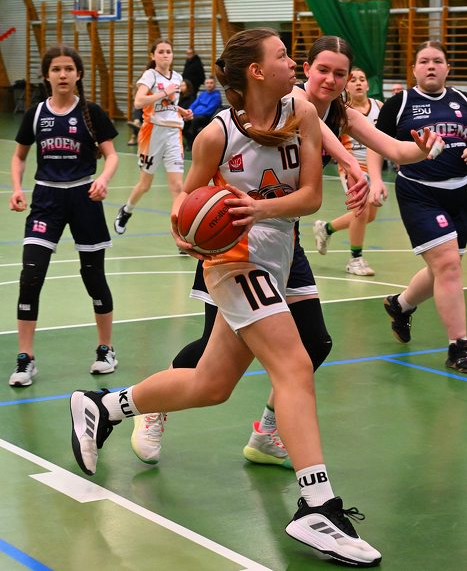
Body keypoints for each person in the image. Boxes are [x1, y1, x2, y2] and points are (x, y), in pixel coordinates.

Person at [71, 28, 382, 567]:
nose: (293, 63)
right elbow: (186, 206)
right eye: (283, 56)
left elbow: (311, 197)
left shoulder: (304, 114)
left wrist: (262, 208)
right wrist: (187, 231)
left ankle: (103, 406)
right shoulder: (215, 135)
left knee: (211, 385)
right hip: (233, 261)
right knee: (294, 365)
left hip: (277, 254)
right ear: (256, 71)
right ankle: (317, 507)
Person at [130, 36, 441, 473]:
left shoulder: (337, 112)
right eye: (322, 70)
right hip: (235, 238)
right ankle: (151, 405)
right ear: (305, 69)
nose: (330, 79)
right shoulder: (288, 98)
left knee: (314, 343)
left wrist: (423, 149)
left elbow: (395, 149)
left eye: (340, 73)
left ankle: (266, 433)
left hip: (283, 236)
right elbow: (316, 127)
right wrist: (349, 163)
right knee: (212, 353)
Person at [9, 44, 119, 387]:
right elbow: (19, 156)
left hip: (84, 196)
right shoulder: (36, 114)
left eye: (69, 69)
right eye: (56, 69)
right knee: (31, 275)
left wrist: (103, 179)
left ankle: (106, 349)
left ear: (78, 74)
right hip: (46, 199)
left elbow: (112, 155)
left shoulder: (91, 112)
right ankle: (25, 358)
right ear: (46, 76)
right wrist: (17, 187)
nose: (62, 74)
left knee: (93, 276)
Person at [368, 41, 467, 372]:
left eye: (437, 61)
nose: (431, 66)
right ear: (414, 69)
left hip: (461, 192)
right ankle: (459, 348)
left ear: (447, 68)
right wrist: (375, 180)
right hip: (419, 193)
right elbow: (375, 143)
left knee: (443, 268)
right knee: (448, 265)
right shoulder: (400, 102)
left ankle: (401, 305)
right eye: (424, 61)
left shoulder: (462, 100)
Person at [114, 39, 193, 235]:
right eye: (161, 51)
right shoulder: (150, 75)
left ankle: (180, 232)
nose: (165, 55)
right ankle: (126, 210)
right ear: (153, 56)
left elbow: (169, 103)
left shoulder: (177, 77)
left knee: (177, 186)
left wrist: (182, 111)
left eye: (169, 51)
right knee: (145, 185)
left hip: (174, 133)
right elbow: (139, 101)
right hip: (152, 133)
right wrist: (164, 92)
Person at [313, 67, 383, 276]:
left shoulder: (379, 106)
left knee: (369, 216)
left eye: (362, 79)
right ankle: (355, 260)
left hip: (374, 166)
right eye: (354, 80)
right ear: (346, 86)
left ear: (368, 85)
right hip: (351, 166)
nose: (359, 83)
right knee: (361, 211)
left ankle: (326, 228)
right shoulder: (342, 111)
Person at [183, 76, 222, 151]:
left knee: (195, 120)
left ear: (215, 84)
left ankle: (193, 143)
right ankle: (189, 140)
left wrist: (193, 115)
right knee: (183, 119)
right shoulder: (203, 94)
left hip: (205, 117)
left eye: (211, 83)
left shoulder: (216, 96)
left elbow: (209, 110)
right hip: (195, 115)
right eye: (207, 83)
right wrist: (188, 112)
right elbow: (194, 104)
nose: (209, 85)